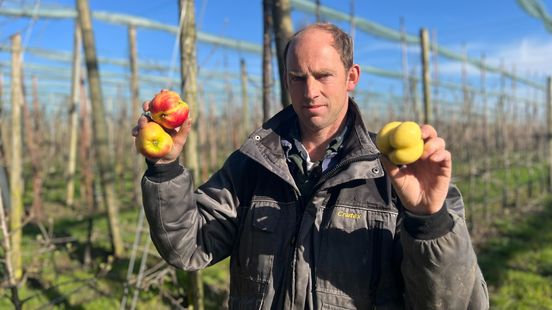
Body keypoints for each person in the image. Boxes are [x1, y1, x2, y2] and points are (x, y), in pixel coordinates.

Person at [133, 23, 489, 309]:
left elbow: (456, 302)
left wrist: (429, 221)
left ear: (352, 77)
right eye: (297, 78)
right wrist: (164, 168)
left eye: (323, 75)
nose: (310, 91)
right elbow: (188, 246)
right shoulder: (253, 164)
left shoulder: (397, 171)